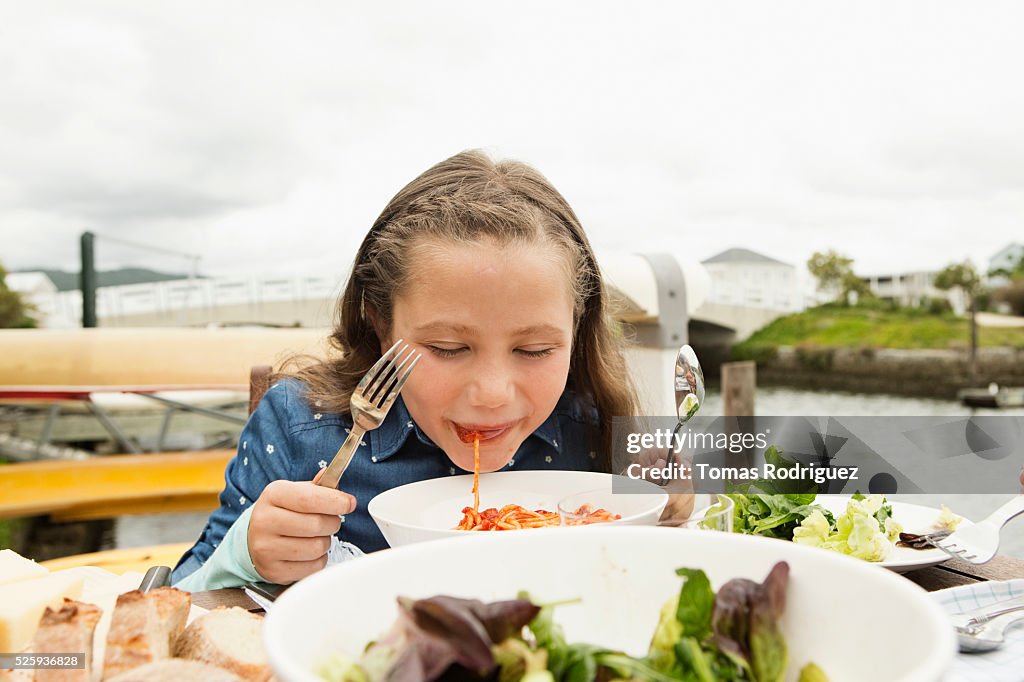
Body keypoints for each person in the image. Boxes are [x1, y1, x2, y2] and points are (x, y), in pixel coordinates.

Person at [171, 149, 647, 590]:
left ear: (576, 331)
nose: (492, 394)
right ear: (381, 327)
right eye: (448, 347)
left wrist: (675, 506)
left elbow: (696, 527)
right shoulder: (298, 426)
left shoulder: (595, 421)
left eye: (536, 350)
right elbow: (175, 596)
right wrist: (240, 557)